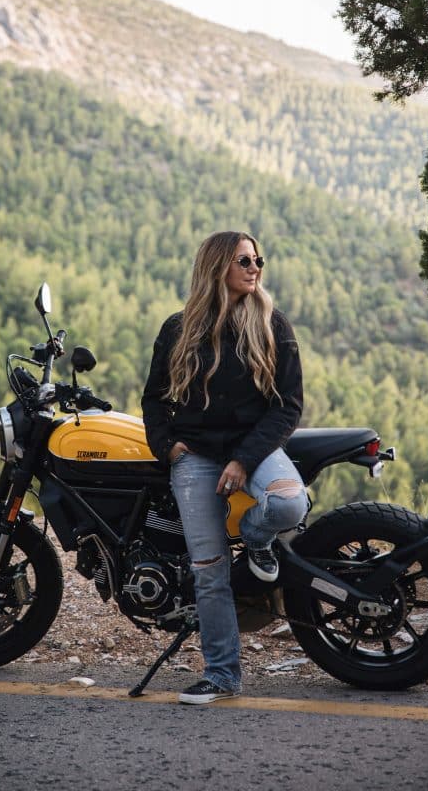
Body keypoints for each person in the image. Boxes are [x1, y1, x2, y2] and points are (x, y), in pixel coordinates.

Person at [141, 230, 308, 704]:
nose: (255, 268)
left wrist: (242, 460)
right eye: (244, 260)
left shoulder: (273, 323)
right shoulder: (179, 328)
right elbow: (155, 398)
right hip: (194, 454)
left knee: (288, 504)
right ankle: (222, 675)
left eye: (258, 260)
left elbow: (288, 406)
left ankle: (256, 540)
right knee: (209, 570)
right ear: (218, 268)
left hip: (254, 448)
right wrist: (167, 447)